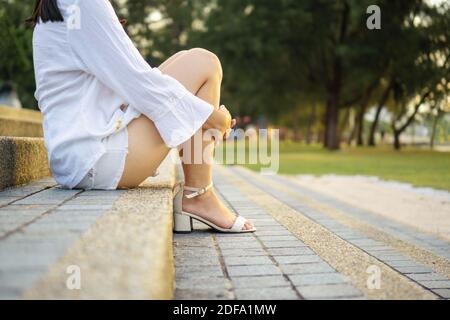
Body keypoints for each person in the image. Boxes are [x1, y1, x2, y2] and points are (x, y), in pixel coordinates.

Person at [29, 0, 255, 233]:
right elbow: (138, 82)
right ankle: (199, 195)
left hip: (81, 156)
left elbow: (132, 82)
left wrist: (201, 115)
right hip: (95, 158)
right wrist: (209, 116)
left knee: (193, 59)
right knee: (205, 64)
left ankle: (198, 193)